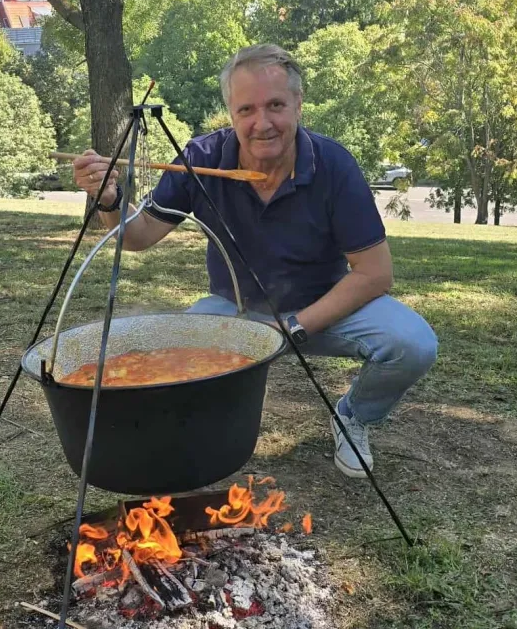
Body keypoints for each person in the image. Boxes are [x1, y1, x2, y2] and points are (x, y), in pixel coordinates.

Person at [72, 44, 438, 479]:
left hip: (325, 308)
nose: (262, 124)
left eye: (276, 106)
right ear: (230, 111)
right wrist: (108, 198)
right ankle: (198, 441)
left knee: (414, 343)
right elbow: (136, 237)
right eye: (246, 109)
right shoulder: (201, 159)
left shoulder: (333, 164)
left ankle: (354, 415)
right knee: (176, 355)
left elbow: (376, 273)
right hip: (236, 310)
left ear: (298, 104)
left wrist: (292, 327)